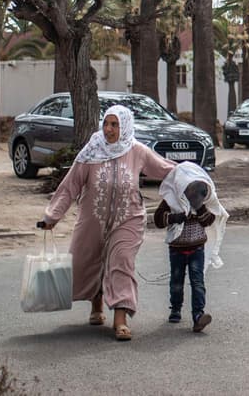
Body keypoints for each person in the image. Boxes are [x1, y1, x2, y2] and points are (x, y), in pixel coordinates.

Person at [40, 104, 176, 341]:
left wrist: (193, 175)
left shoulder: (137, 151)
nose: (109, 129)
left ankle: (120, 320)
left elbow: (165, 170)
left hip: (129, 219)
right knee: (89, 260)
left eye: (114, 124)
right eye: (106, 123)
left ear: (124, 126)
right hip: (93, 219)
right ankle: (96, 305)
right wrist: (52, 216)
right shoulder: (92, 151)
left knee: (121, 261)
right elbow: (70, 185)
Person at [154, 161, 229, 333]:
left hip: (197, 249)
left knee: (197, 282)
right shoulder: (171, 201)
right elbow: (158, 219)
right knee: (177, 281)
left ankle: (198, 315)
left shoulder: (202, 203)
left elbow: (209, 220)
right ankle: (176, 308)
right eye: (189, 189)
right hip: (177, 248)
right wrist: (176, 217)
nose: (192, 193)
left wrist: (199, 208)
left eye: (196, 190)